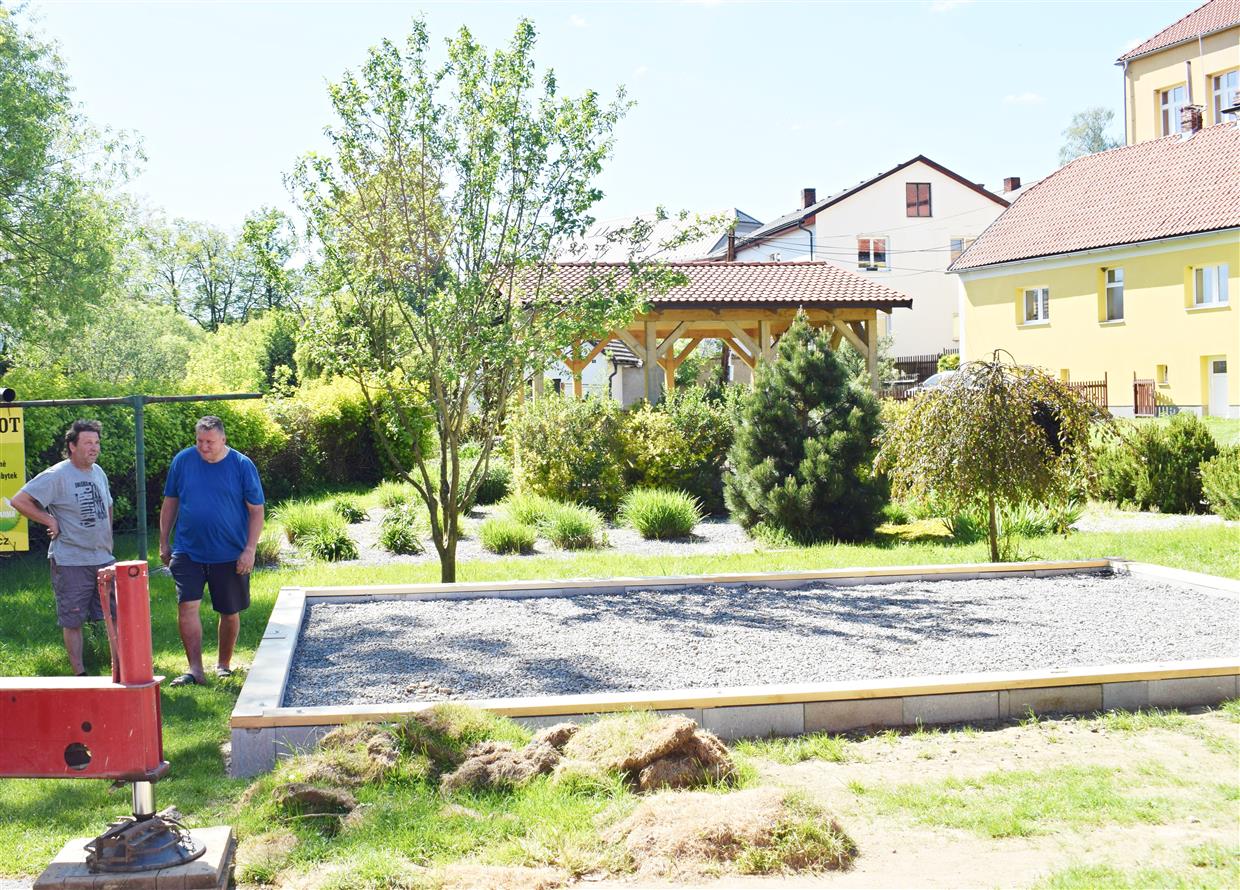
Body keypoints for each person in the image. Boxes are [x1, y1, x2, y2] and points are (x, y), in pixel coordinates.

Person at [159, 415, 264, 686]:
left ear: (223, 439)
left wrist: (249, 549)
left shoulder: (241, 465)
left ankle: (223, 665)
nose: (204, 447)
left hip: (229, 552)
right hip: (188, 549)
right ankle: (195, 670)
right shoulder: (183, 461)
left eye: (210, 442)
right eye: (199, 441)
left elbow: (256, 510)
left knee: (229, 610)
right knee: (187, 605)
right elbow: (170, 502)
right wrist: (164, 541)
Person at [11, 419, 114, 676]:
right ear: (72, 446)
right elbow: (19, 500)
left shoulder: (98, 472)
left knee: (113, 616)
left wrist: (108, 538)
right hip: (71, 560)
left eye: (97, 443)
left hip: (103, 558)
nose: (94, 448)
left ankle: (120, 670)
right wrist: (49, 520)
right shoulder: (57, 475)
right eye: (88, 443)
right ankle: (80, 674)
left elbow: (108, 505)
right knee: (73, 619)